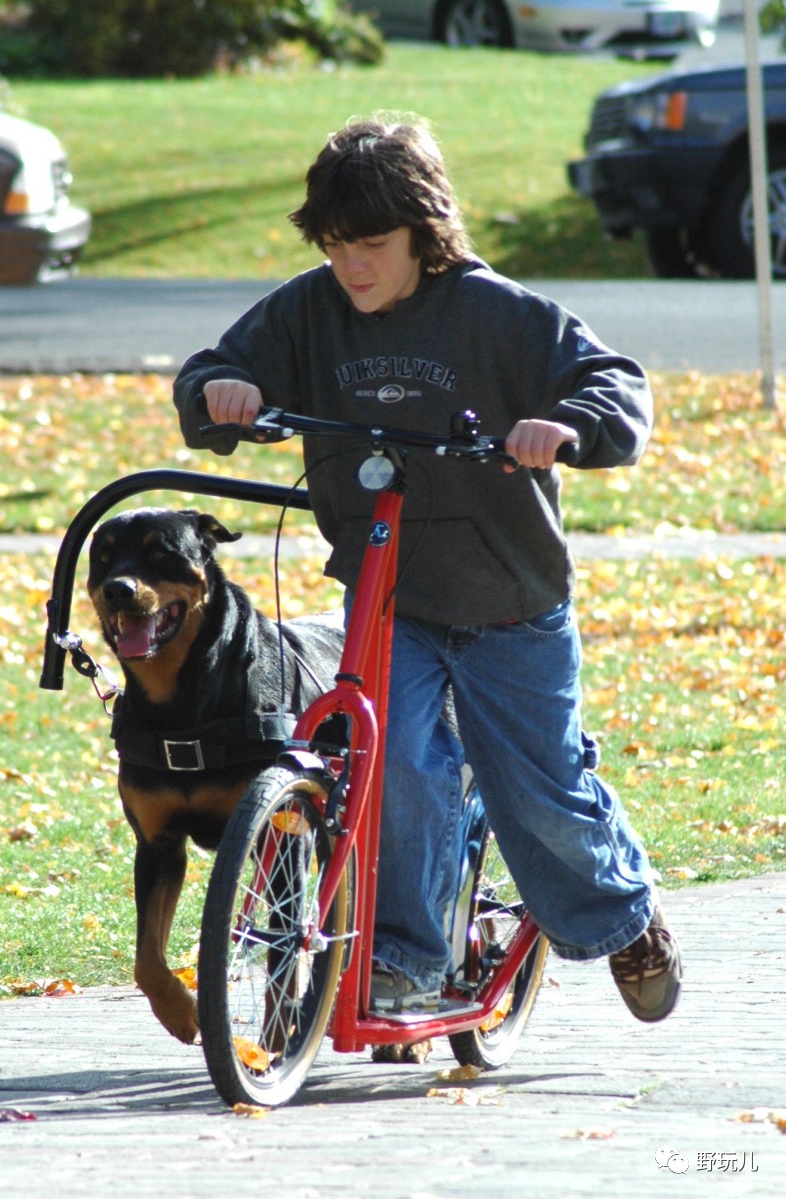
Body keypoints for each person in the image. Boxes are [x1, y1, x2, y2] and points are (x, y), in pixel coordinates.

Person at [173, 113, 682, 1023]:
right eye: (335, 245)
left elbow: (613, 380)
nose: (351, 265)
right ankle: (406, 957)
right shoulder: (308, 308)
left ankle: (625, 914)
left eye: (372, 243)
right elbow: (212, 368)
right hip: (388, 601)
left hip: (507, 601)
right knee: (393, 767)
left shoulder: (497, 313)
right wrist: (221, 391)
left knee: (541, 792)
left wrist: (564, 427)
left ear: (424, 230)